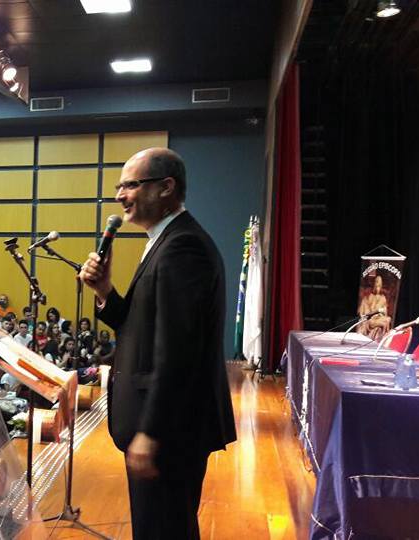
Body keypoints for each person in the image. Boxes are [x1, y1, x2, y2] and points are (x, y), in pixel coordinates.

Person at [78, 147, 236, 539]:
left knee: (164, 530)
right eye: (120, 185)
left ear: (166, 187)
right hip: (166, 425)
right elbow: (138, 328)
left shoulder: (183, 248)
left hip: (170, 429)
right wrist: (105, 290)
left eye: (131, 184)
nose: (120, 195)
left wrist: (151, 431)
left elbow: (178, 350)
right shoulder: (164, 241)